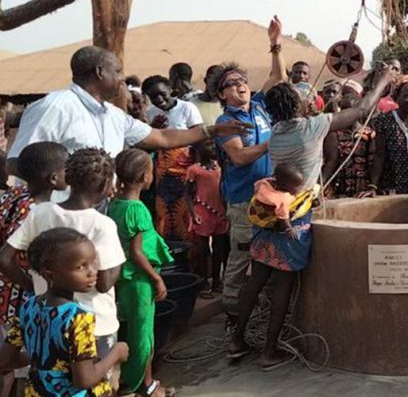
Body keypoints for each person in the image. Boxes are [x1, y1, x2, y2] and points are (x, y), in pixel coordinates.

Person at [230, 72, 389, 368]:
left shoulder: (275, 131)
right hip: (295, 217)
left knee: (257, 281)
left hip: (267, 215)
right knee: (283, 286)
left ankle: (237, 340)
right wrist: (384, 79)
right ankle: (268, 352)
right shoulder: (312, 127)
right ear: (297, 105)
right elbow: (364, 109)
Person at [4, 45, 248, 188]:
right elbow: (16, 163)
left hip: (98, 220)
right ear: (99, 72)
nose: (122, 78)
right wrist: (73, 188)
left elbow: (161, 137)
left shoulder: (113, 115)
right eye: (117, 71)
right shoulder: (54, 107)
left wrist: (210, 131)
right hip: (56, 232)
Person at [0, 148, 126, 360]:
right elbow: (104, 284)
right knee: (95, 385)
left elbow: (4, 258)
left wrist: (34, 288)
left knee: (52, 378)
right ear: (106, 185)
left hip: (49, 318)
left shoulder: (41, 212)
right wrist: (120, 259)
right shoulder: (102, 225)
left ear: (68, 178)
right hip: (94, 324)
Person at [216, 16, 288, 319]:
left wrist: (275, 44)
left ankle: (263, 309)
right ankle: (232, 311)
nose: (239, 86)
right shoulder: (224, 123)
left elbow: (279, 77)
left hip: (269, 197)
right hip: (244, 201)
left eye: (242, 81)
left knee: (271, 251)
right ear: (222, 95)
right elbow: (240, 157)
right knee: (242, 254)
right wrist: (276, 142)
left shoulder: (259, 106)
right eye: (231, 84)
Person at [0, 228, 129, 397]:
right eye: (80, 266)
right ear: (49, 274)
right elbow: (84, 379)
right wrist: (116, 353)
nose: (92, 271)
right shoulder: (78, 318)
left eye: (92, 262)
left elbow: (5, 361)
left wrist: (46, 362)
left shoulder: (28, 308)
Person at [229, 164, 315, 370]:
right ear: (285, 184)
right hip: (284, 245)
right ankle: (268, 352)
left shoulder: (264, 186)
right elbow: (286, 218)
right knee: (281, 294)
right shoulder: (285, 198)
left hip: (262, 242)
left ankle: (236, 339)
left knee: (253, 286)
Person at [0, 142, 68, 395]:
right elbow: (6, 258)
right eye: (66, 168)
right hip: (17, 295)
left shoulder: (13, 195)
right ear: (53, 178)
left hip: (6, 291)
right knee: (22, 364)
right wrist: (31, 287)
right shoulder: (34, 211)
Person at [108, 149, 173, 396]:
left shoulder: (115, 204)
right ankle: (139, 385)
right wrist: (157, 279)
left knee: (131, 329)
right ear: (146, 176)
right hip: (139, 280)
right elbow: (137, 252)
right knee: (143, 334)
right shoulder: (138, 210)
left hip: (123, 278)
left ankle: (138, 382)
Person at [143, 74, 204, 241]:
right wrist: (153, 129)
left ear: (170, 89)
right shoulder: (150, 113)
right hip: (163, 174)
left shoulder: (187, 108)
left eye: (162, 93)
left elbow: (199, 137)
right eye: (153, 96)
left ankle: (191, 255)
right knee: (164, 212)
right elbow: (147, 144)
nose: (159, 99)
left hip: (186, 169)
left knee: (186, 210)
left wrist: (198, 168)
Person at [185, 139, 230, 296]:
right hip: (202, 212)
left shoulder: (220, 167)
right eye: (210, 148)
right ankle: (204, 281)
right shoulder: (194, 170)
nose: (214, 151)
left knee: (219, 249)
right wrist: (193, 213)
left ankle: (216, 281)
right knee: (203, 250)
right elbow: (188, 194)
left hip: (220, 212)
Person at [321, 90, 377, 199]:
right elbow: (330, 162)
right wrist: (321, 187)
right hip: (338, 187)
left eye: (350, 110)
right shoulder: (334, 134)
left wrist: (373, 187)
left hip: (362, 188)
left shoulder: (369, 133)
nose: (346, 114)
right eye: (343, 110)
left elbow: (372, 162)